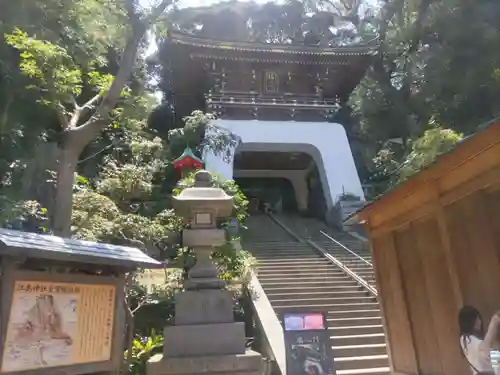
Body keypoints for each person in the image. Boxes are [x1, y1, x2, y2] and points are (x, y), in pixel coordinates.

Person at [459, 306, 500, 375]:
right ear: (473, 321)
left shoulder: (464, 339)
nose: (480, 321)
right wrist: (494, 323)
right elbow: (484, 350)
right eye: (478, 319)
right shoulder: (471, 340)